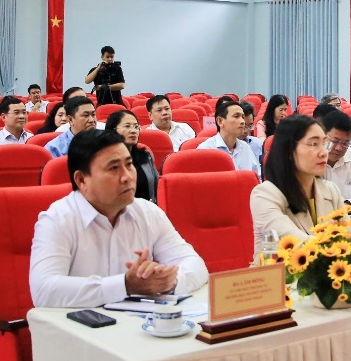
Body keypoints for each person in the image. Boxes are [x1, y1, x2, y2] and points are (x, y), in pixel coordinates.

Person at [29, 129, 208, 308]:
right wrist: (125, 286)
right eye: (114, 168)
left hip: (139, 320)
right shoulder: (57, 220)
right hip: (78, 323)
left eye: (129, 165)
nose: (127, 177)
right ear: (82, 180)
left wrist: (168, 282)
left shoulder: (148, 213)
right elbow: (44, 291)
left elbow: (196, 265)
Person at [250, 115, 343, 240]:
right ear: (288, 150)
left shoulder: (331, 190)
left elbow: (350, 236)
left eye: (324, 144)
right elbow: (296, 242)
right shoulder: (265, 195)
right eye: (314, 144)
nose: (324, 153)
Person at [321, 111, 351, 213]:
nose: (339, 148)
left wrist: (348, 206)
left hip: (348, 216)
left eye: (345, 144)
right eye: (335, 141)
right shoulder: (309, 160)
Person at [107, 110, 158, 204]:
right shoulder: (104, 160)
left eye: (136, 127)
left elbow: (156, 188)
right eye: (127, 126)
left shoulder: (146, 156)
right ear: (112, 130)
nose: (133, 131)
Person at [200, 100, 262, 175]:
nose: (242, 121)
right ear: (220, 121)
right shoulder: (205, 150)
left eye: (243, 117)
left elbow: (257, 177)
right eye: (236, 116)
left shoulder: (245, 147)